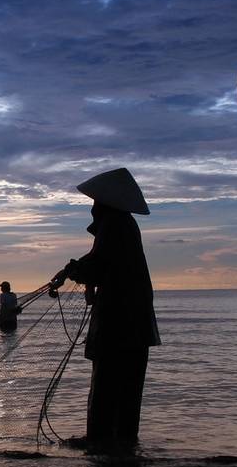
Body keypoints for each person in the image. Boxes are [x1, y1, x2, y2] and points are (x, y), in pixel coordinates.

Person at [49, 167, 160, 450]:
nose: (93, 210)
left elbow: (97, 267)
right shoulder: (122, 225)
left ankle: (101, 443)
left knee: (107, 385)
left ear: (104, 205)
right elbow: (98, 261)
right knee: (127, 389)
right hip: (134, 322)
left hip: (119, 322)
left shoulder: (114, 225)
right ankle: (122, 446)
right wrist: (71, 269)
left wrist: (73, 271)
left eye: (95, 204)